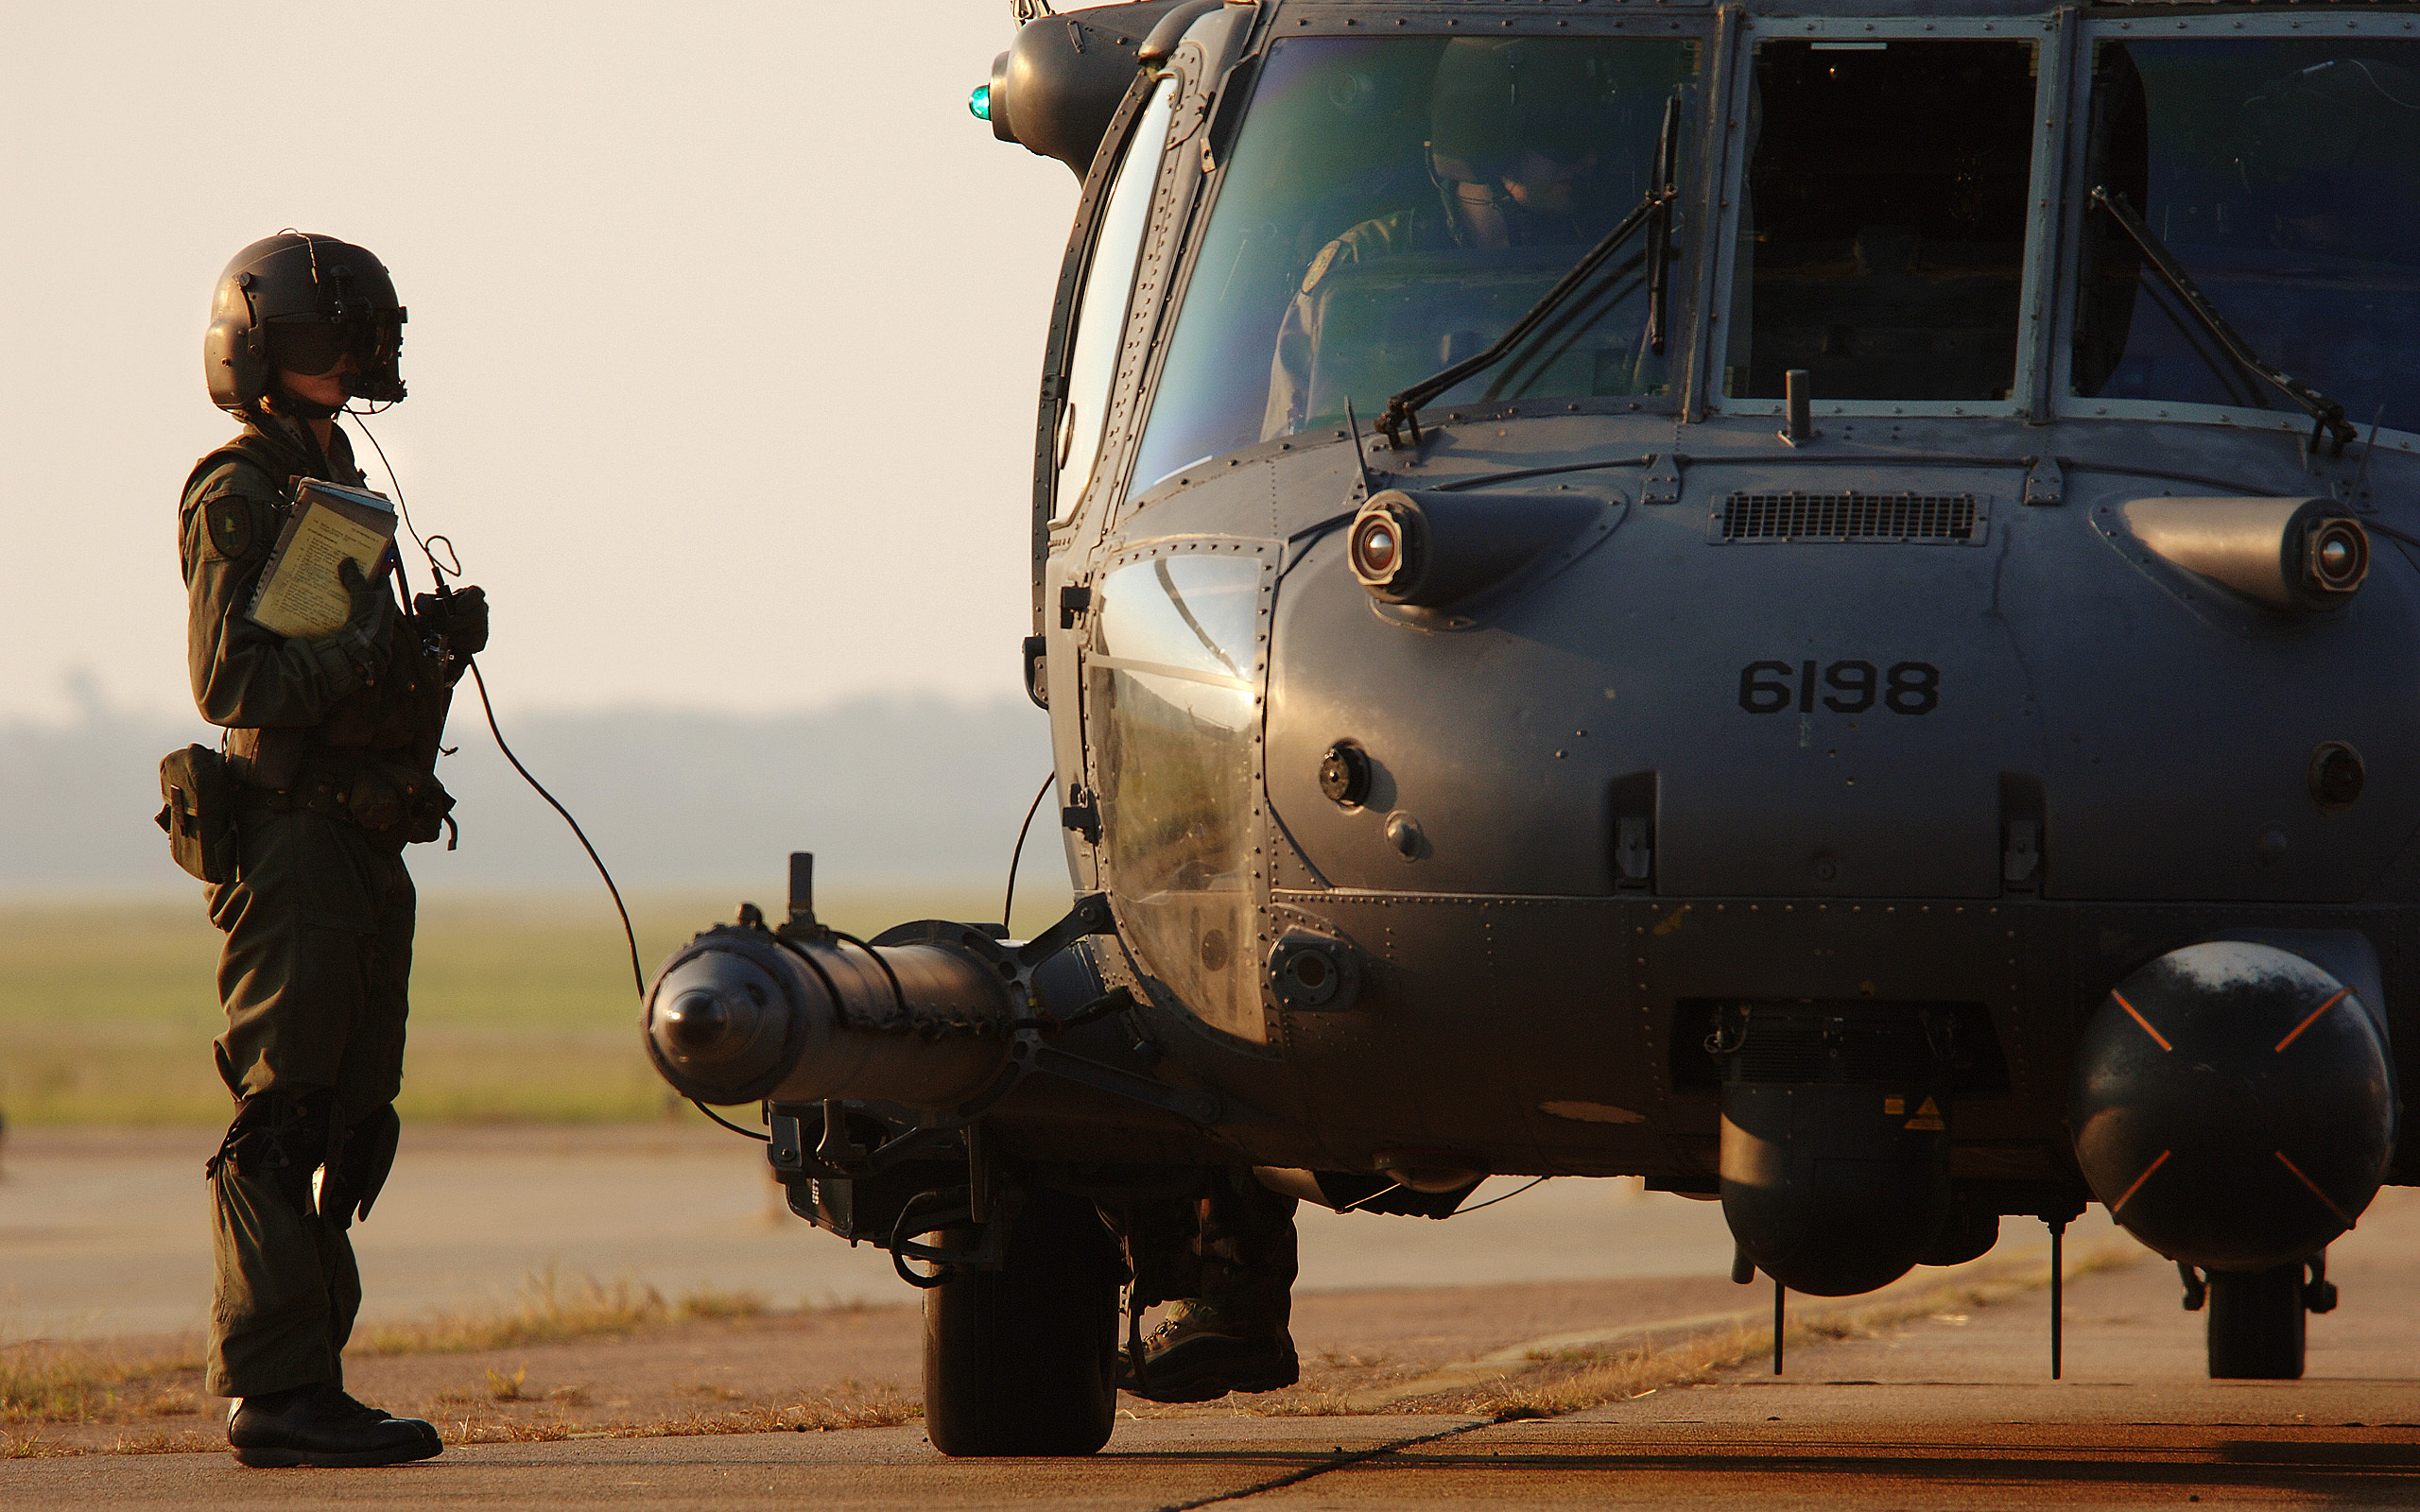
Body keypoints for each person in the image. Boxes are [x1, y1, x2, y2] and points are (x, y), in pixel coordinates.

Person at [179, 232, 488, 1468]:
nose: (352, 357)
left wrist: (429, 650)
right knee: (282, 1115)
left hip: (363, 841)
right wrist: (371, 652)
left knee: (349, 1123)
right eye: (326, 337)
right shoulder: (240, 486)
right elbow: (234, 681)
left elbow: (341, 669)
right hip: (297, 847)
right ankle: (274, 1392)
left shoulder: (337, 475)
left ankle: (314, 1380)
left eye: (362, 335)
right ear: (259, 353)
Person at [1262, 39, 1632, 440]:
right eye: (1563, 139)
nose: (1589, 161)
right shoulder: (1363, 263)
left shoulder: (1613, 261)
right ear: (1482, 138)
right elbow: (1291, 444)